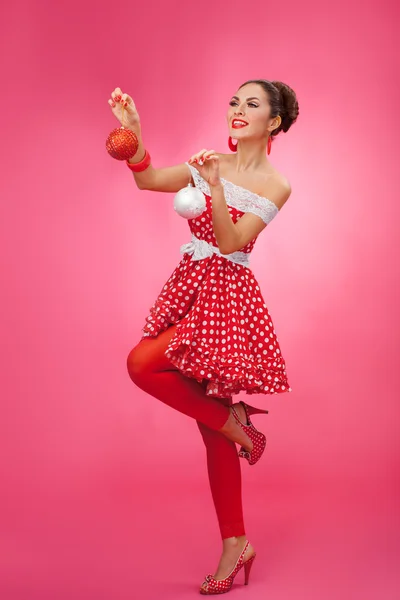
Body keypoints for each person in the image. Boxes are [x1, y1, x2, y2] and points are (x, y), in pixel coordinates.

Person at [108, 79, 299, 595]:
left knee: (156, 376)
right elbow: (148, 180)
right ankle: (235, 430)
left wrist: (215, 185)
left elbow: (235, 239)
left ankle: (235, 538)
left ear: (274, 122)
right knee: (150, 370)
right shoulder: (211, 157)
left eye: (252, 104)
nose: (237, 109)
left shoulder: (277, 184)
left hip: (228, 300)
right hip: (193, 288)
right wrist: (136, 136)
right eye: (234, 101)